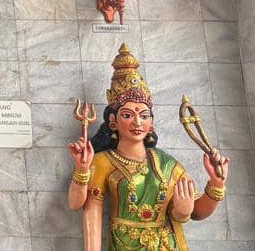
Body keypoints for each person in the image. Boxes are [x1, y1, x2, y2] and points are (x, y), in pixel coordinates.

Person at [68, 45, 230, 250]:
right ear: (113, 122)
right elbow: (85, 209)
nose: (137, 122)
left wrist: (216, 183)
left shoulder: (167, 164)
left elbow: (197, 212)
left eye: (144, 116)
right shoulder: (103, 162)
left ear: (151, 123)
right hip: (124, 245)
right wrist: (82, 170)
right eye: (127, 115)